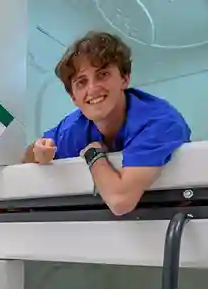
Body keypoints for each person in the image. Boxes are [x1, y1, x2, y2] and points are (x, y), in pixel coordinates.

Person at [23, 31, 191, 216]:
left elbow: (120, 201)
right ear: (73, 97)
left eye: (102, 74)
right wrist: (39, 152)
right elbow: (28, 155)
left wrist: (93, 154)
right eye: (81, 82)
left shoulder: (158, 121)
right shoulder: (74, 127)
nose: (93, 89)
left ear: (124, 78)